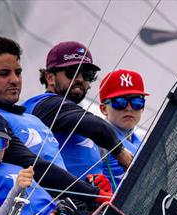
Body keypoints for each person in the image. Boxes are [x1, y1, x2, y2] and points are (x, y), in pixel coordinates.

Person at [0, 36, 106, 208]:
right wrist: (92, 194)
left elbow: (56, 168)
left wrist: (90, 184)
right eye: (4, 73)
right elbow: (32, 166)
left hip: (66, 213)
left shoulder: (32, 119)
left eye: (18, 72)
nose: (15, 80)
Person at [23, 41, 134, 181]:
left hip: (91, 199)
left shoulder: (74, 113)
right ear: (50, 78)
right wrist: (120, 151)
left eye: (88, 74)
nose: (80, 79)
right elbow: (98, 127)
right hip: (60, 200)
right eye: (72, 72)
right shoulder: (44, 104)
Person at [97, 69, 149, 189]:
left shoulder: (144, 143)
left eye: (137, 102)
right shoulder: (95, 140)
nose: (129, 108)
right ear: (103, 109)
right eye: (120, 102)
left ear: (143, 108)